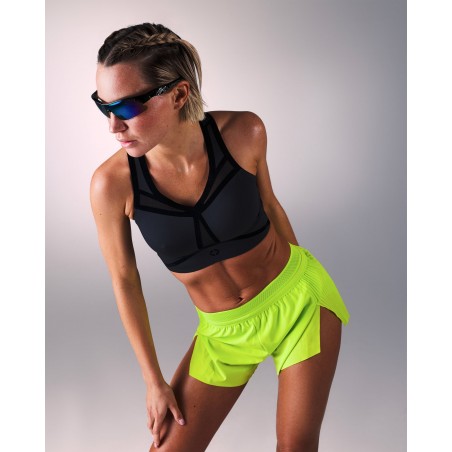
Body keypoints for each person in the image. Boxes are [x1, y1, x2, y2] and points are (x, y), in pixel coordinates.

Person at [90, 22, 350, 452]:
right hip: (222, 334)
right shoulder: (111, 184)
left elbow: (270, 206)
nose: (114, 126)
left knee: (296, 447)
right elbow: (124, 280)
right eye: (103, 106)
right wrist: (154, 381)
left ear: (179, 94)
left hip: (300, 305)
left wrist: (304, 278)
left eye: (129, 106)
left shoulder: (244, 132)